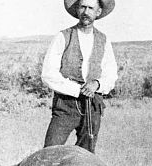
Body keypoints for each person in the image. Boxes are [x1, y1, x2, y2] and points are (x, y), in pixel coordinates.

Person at [42, 0, 117, 153]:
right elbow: (48, 74)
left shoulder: (104, 40)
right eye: (82, 7)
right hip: (66, 105)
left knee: (86, 157)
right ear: (77, 10)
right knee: (49, 152)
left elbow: (111, 74)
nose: (86, 12)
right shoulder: (63, 37)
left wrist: (97, 84)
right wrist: (77, 89)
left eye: (91, 8)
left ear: (98, 12)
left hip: (92, 105)